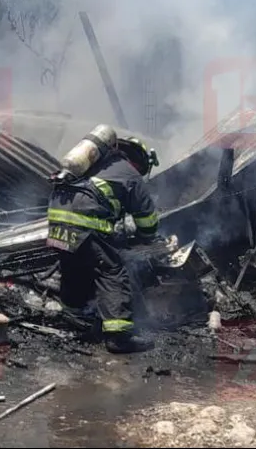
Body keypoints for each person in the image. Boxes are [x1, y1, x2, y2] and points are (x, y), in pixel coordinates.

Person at [47, 132, 162, 354]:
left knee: (74, 265)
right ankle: (119, 337)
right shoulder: (129, 172)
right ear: (139, 160)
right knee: (112, 272)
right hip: (84, 221)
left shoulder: (93, 166)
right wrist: (146, 237)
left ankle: (74, 316)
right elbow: (146, 217)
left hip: (56, 218)